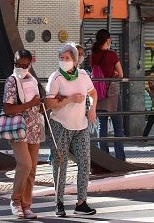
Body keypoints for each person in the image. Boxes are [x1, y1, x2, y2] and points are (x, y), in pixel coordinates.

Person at [45, 43, 98, 217]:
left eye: (67, 58)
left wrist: (92, 109)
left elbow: (93, 93)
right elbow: (49, 103)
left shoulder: (83, 75)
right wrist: (70, 99)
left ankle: (81, 202)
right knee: (60, 164)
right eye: (61, 58)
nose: (63, 61)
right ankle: (58, 202)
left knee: (84, 162)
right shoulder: (56, 78)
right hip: (60, 125)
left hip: (80, 126)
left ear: (75, 60)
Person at [3, 49, 44, 219]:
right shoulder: (11, 81)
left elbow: (37, 105)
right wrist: (29, 104)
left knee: (32, 168)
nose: (20, 67)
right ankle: (15, 201)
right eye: (17, 64)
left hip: (34, 128)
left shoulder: (33, 80)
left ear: (29, 64)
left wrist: (43, 103)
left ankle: (26, 205)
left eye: (24, 65)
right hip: (18, 129)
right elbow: (8, 108)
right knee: (25, 165)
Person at [90, 29, 126, 161]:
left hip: (98, 93)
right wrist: (114, 74)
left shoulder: (93, 55)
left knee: (102, 127)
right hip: (112, 94)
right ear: (108, 40)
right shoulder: (112, 55)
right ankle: (120, 158)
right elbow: (121, 75)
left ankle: (104, 159)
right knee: (117, 127)